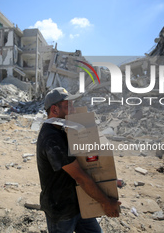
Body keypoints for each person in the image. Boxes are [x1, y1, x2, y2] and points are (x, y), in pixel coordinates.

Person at [36, 87, 121, 233]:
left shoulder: (62, 130)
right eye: (69, 106)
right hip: (61, 210)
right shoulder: (52, 139)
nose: (74, 110)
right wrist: (106, 203)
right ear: (55, 110)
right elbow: (80, 176)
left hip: (78, 202)